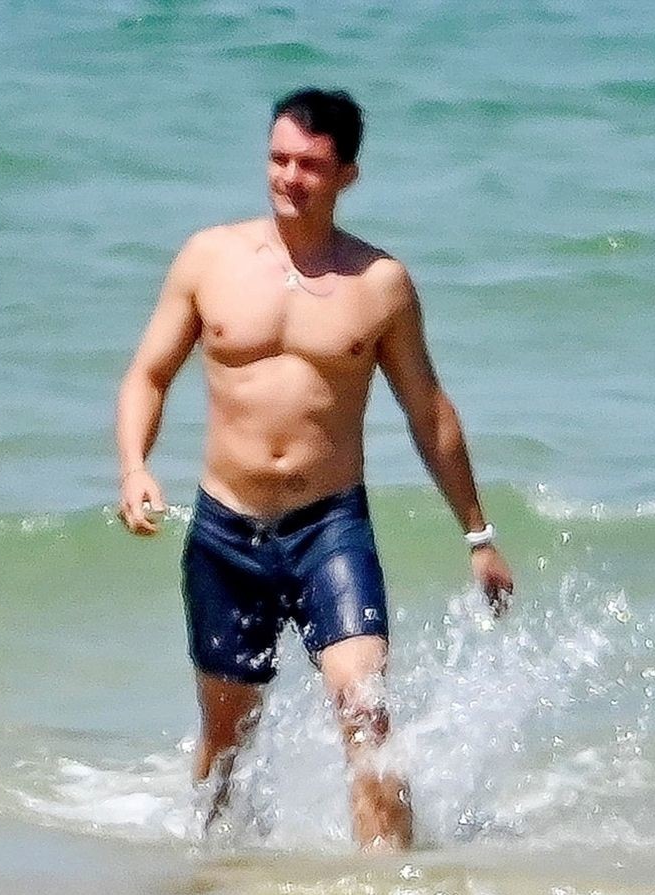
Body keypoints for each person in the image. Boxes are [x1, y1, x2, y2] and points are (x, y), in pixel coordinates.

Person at [115, 88, 514, 850]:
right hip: (227, 531)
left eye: (310, 165)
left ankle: (388, 888)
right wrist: (135, 466)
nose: (289, 177)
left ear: (347, 175)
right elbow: (149, 375)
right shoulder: (209, 259)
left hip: (329, 527)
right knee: (227, 740)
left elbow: (428, 411)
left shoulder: (380, 283)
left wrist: (478, 534)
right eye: (278, 159)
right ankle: (213, 875)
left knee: (366, 710)